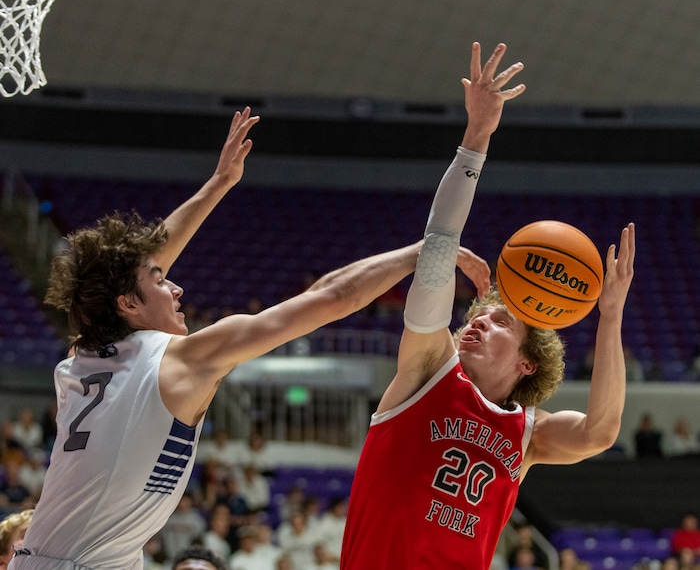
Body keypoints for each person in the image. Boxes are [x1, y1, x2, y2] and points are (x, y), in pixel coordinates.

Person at [10, 107, 488, 570]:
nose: (175, 286)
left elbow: (133, 270)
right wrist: (421, 252)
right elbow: (333, 295)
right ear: (128, 305)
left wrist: (218, 185)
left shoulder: (84, 355)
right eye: (161, 281)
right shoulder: (184, 360)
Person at [339, 42, 636, 570]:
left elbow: (601, 432)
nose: (477, 321)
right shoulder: (428, 372)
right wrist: (476, 137)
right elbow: (439, 241)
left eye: (499, 321)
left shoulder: (529, 434)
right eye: (476, 315)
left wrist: (610, 316)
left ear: (528, 362)